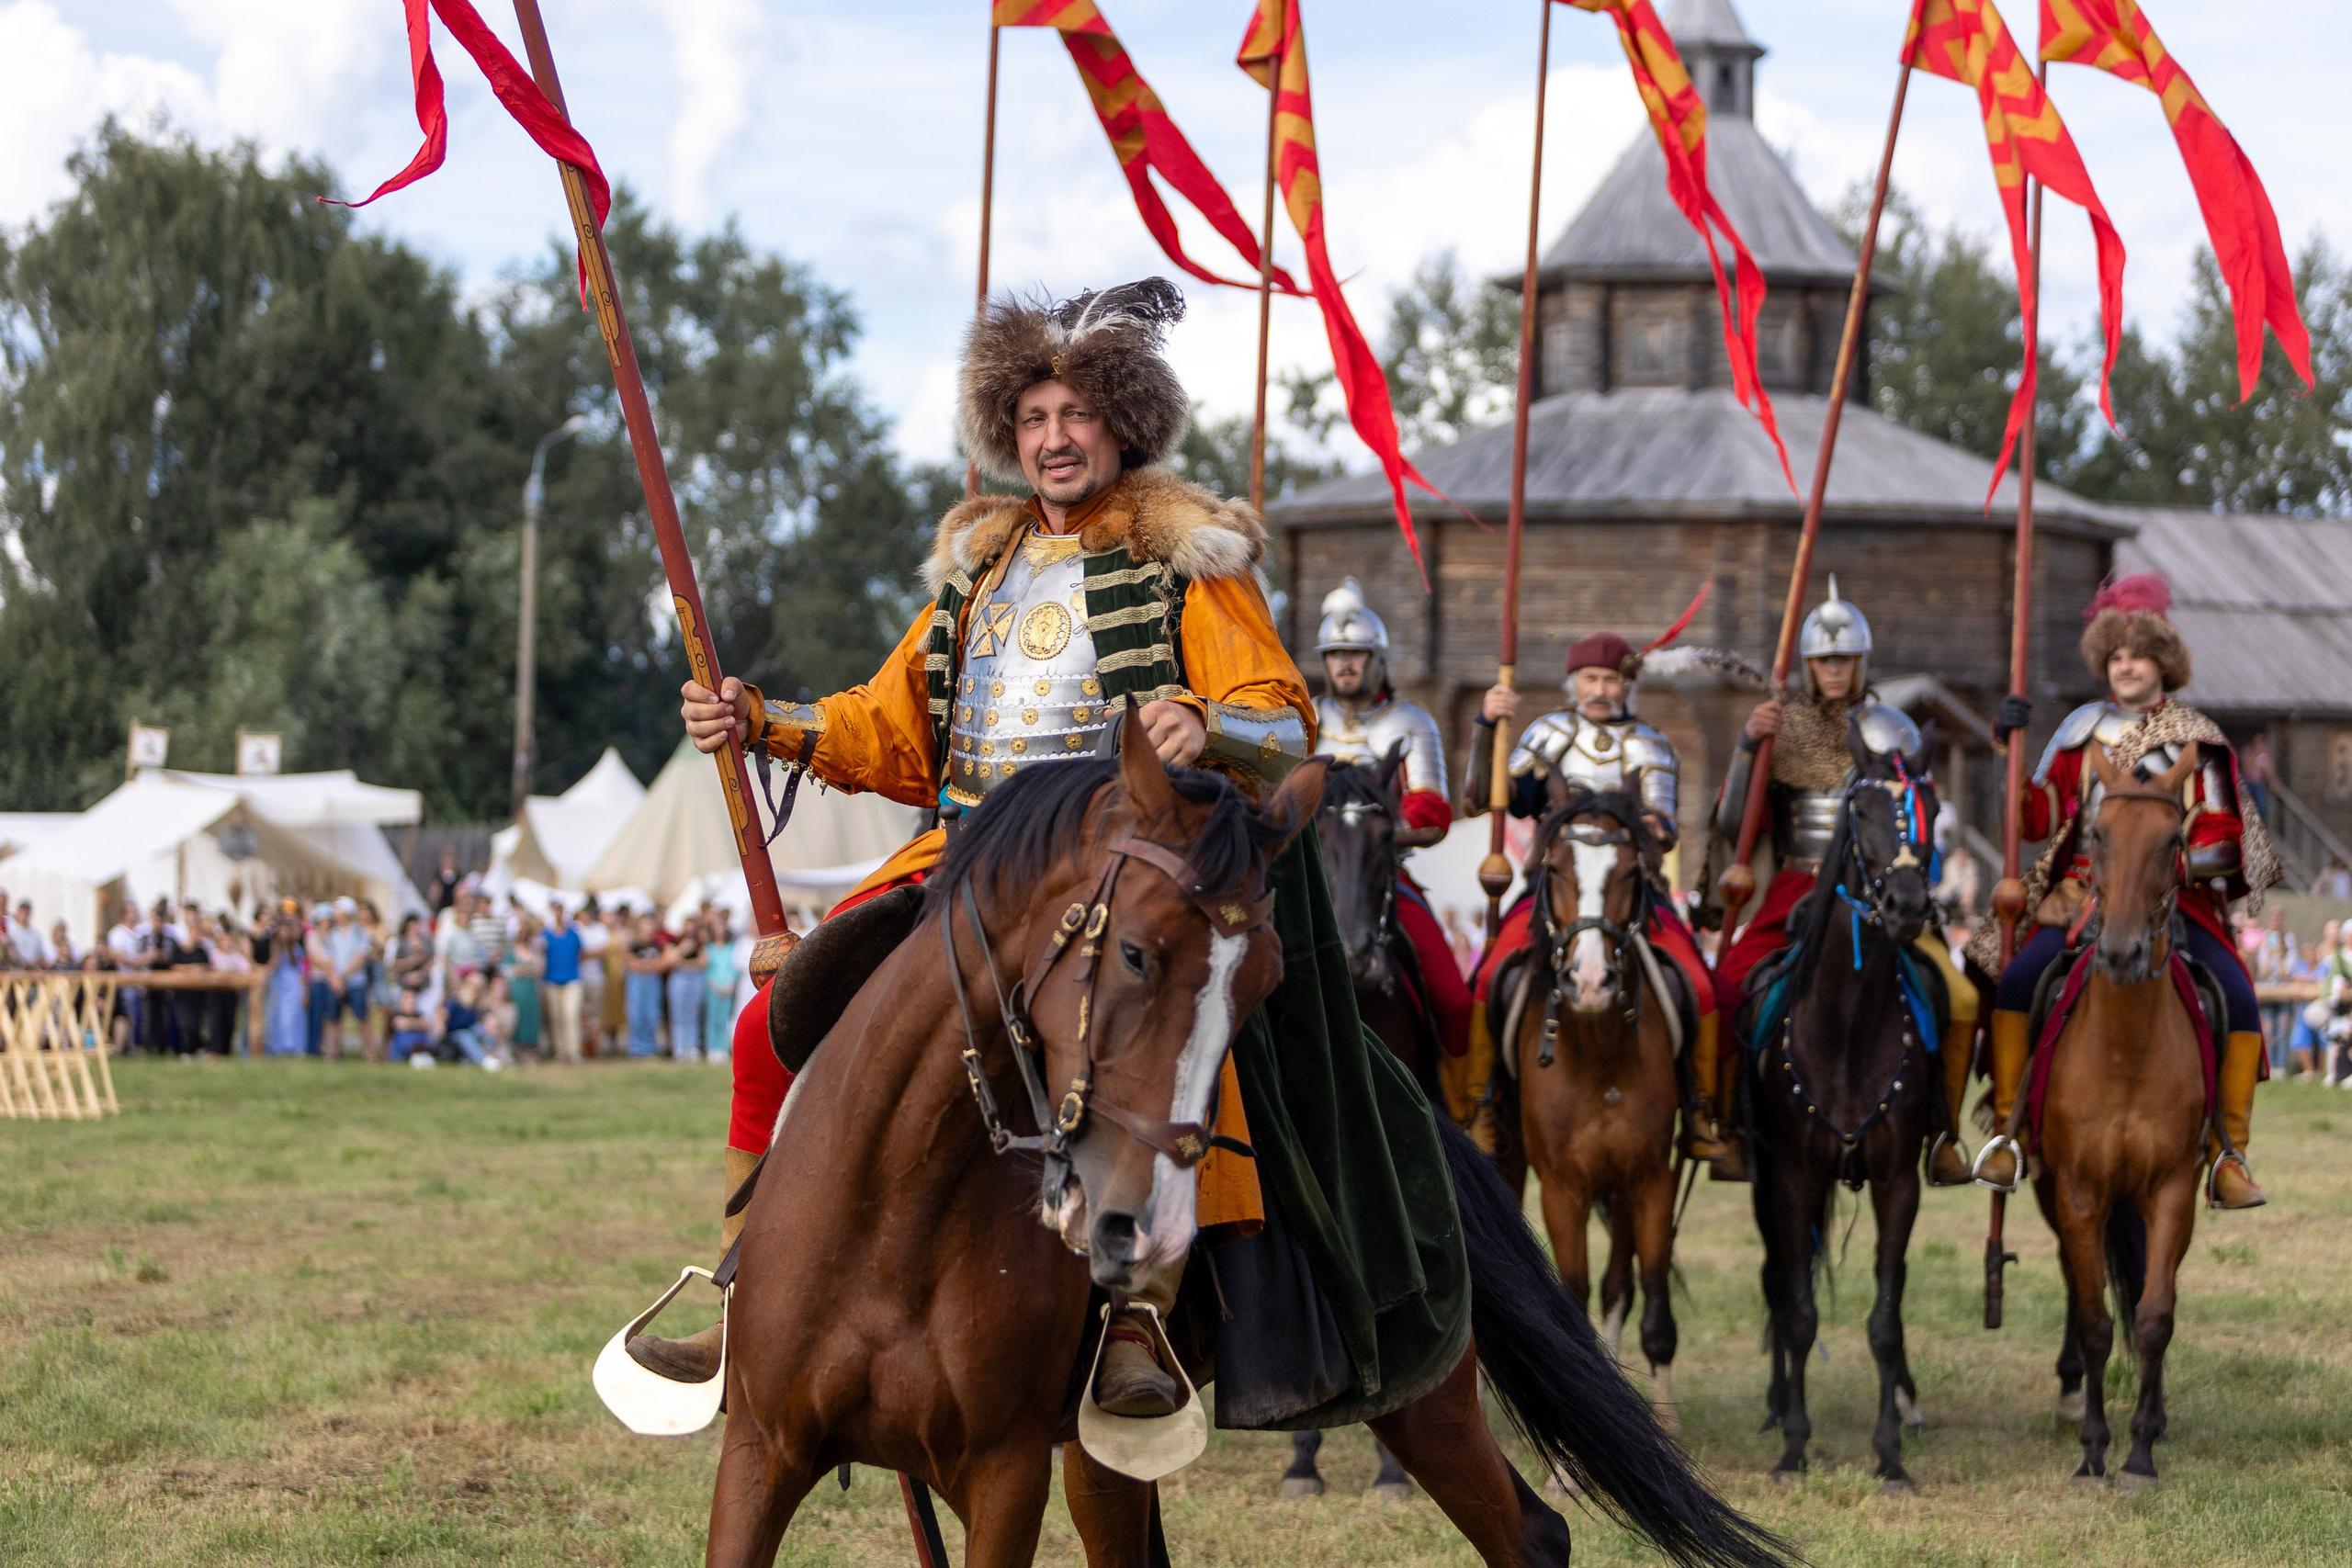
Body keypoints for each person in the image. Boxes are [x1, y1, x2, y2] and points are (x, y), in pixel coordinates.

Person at [646, 281, 1445, 1434]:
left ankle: (1139, 1316)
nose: (1053, 438)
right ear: (1004, 435)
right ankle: (740, 1287)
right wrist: (762, 719)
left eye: (1074, 415)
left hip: (1112, 873)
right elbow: (890, 729)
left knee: (1173, 1052)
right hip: (964, 862)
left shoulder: (1188, 557)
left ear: (1120, 423)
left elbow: (1282, 722)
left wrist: (1201, 723)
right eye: (1030, 420)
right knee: (766, 1029)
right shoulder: (979, 567)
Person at [1973, 573, 2278, 1208]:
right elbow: (2035, 821)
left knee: (2241, 998)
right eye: (2116, 656)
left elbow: (2224, 844)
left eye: (2138, 655)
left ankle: (2227, 1152)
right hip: (2081, 897)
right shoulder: (2078, 733)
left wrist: (2164, 867)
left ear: (2162, 661)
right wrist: (2011, 750)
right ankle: (2008, 1132)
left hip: (2174, 900)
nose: (2126, 666)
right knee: (2017, 981)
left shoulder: (2200, 738)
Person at [1705, 580, 1978, 1184]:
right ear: (1808, 663)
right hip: (1797, 888)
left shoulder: (1897, 730)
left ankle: (1943, 1135)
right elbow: (1733, 822)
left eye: (1843, 658)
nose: (1833, 669)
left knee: (1959, 998)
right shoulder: (1780, 726)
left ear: (1861, 661)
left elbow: (1917, 814)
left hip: (1882, 892)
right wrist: (1749, 746)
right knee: (1724, 988)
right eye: (1823, 659)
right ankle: (1728, 1125)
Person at [1464, 604, 1736, 1165]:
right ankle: (1483, 1104)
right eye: (1591, 678)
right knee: (1490, 977)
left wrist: (1633, 831)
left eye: (1612, 680)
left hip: (1632, 894)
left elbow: (1661, 828)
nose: (1601, 689)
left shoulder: (1651, 745)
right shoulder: (1548, 734)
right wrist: (1487, 727)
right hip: (1553, 891)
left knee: (1702, 988)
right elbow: (1492, 796)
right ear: (1573, 683)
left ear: (1627, 686)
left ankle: (1702, 1108)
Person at [1308, 577, 1473, 1060]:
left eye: (1356, 654)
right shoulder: (1303, 719)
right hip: (1311, 879)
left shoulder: (1412, 722)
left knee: (1455, 999)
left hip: (1385, 878)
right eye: (1336, 654)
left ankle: (1465, 1110)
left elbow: (1431, 808)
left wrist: (1372, 833)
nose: (1345, 664)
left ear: (1377, 660)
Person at [542, 902, 584, 1064]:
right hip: (551, 980)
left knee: (571, 1015)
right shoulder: (545, 935)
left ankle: (574, 1052)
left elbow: (581, 953)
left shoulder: (573, 934)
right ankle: (560, 1051)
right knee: (556, 1017)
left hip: (572, 979)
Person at [664, 910, 707, 1061]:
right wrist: (683, 949)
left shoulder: (699, 944)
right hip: (679, 979)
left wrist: (684, 964)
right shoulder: (676, 942)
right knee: (678, 1014)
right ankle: (679, 1047)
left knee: (692, 1013)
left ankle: (692, 1046)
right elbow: (670, 960)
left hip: (694, 979)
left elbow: (703, 962)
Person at [624, 914, 667, 1058]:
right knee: (637, 1014)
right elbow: (633, 964)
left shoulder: (657, 944)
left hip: (652, 982)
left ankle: (650, 1046)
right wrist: (651, 965)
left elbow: (663, 962)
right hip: (637, 982)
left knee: (651, 1014)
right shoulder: (634, 944)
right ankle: (637, 1047)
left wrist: (647, 965)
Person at [439, 972, 503, 1070]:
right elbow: (443, 1015)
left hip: (471, 1032)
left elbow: (487, 1019)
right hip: (453, 1035)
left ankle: (492, 1055)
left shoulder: (479, 1005)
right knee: (464, 1035)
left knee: (482, 1030)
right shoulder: (456, 1000)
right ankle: (483, 1061)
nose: (476, 990)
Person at [701, 909, 740, 1062]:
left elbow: (733, 967)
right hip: (713, 987)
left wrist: (730, 983)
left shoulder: (731, 948)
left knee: (724, 1018)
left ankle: (722, 1048)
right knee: (712, 1018)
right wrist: (715, 985)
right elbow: (707, 970)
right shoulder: (708, 948)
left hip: (727, 987)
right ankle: (712, 1048)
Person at [506, 912, 544, 1059]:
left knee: (532, 1016)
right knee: (519, 1016)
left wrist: (522, 970)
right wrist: (528, 970)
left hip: (531, 989)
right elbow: (510, 970)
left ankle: (531, 1048)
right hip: (517, 989)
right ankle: (519, 1049)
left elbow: (539, 970)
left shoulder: (534, 948)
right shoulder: (510, 950)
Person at [576, 897, 610, 1055]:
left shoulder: (600, 929)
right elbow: (577, 954)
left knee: (595, 1017)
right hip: (580, 979)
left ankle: (596, 1049)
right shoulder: (575, 929)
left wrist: (586, 954)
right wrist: (592, 953)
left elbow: (604, 951)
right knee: (582, 1017)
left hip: (596, 979)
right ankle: (584, 1049)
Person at [390, 987, 435, 1066]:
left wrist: (408, 1024)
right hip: (401, 1052)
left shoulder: (420, 1014)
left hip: (419, 1048)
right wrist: (417, 1024)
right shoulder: (397, 1014)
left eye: (412, 999)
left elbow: (426, 1025)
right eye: (407, 999)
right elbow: (399, 1024)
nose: (411, 1002)